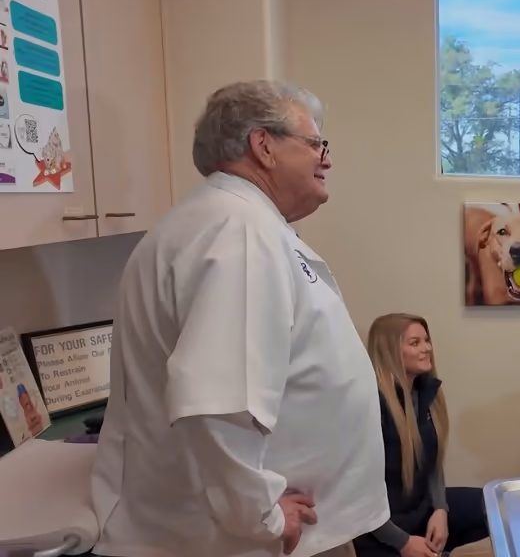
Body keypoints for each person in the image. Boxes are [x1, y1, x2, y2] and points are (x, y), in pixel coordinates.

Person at [90, 80, 389, 557]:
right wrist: (261, 515)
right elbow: (220, 400)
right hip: (251, 538)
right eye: (315, 143)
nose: (326, 159)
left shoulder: (236, 221)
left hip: (265, 527)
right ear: (263, 145)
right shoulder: (238, 230)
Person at [353, 313, 489, 557]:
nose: (427, 348)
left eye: (426, 340)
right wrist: (403, 542)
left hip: (421, 509)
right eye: (415, 343)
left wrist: (441, 510)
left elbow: (433, 463)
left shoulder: (426, 393)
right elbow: (358, 494)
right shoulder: (369, 405)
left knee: (491, 505)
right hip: (379, 529)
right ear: (390, 351)